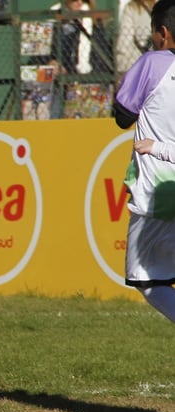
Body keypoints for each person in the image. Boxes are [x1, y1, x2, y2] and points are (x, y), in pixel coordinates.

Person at [113, 0, 175, 336]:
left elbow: (122, 116)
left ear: (162, 34)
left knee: (147, 279)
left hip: (159, 197)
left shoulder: (153, 63)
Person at [115, 0, 156, 81]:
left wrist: (121, 70)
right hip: (159, 66)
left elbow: (123, 43)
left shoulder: (131, 8)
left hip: (134, 65)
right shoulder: (166, 8)